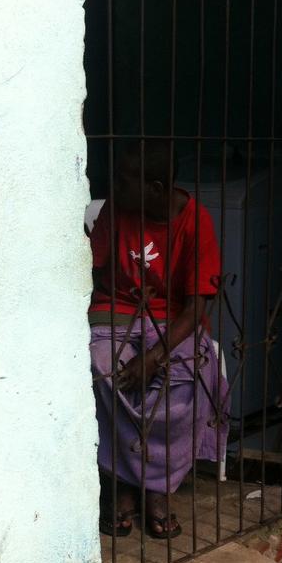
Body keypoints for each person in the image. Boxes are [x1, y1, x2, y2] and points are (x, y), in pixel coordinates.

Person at [88, 141, 226, 539]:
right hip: (116, 308)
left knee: (186, 380)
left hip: (173, 320)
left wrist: (153, 356)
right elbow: (90, 267)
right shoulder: (117, 207)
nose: (115, 186)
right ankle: (125, 483)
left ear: (156, 187)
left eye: (125, 181)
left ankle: (155, 487)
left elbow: (196, 307)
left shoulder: (194, 221)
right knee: (105, 368)